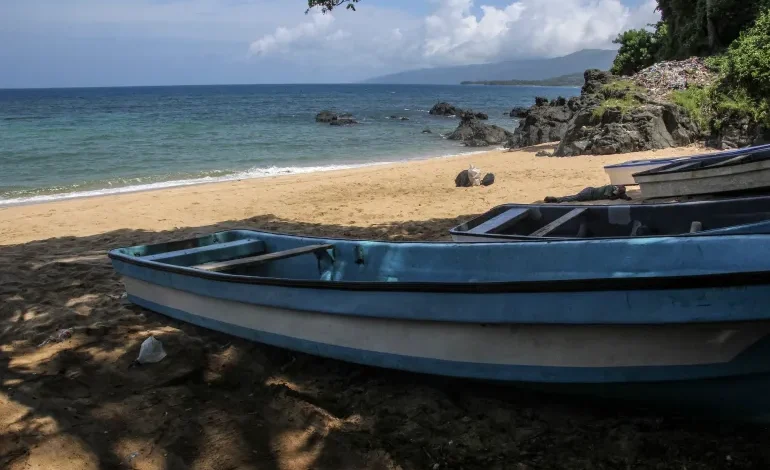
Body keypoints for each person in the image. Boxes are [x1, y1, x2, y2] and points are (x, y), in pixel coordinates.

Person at [544, 185, 631, 203]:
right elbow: (609, 197)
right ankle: (556, 200)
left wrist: (626, 197)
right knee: (574, 198)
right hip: (589, 192)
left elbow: (623, 196)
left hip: (590, 194)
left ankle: (557, 199)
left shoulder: (617, 191)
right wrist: (619, 196)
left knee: (574, 198)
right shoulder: (610, 188)